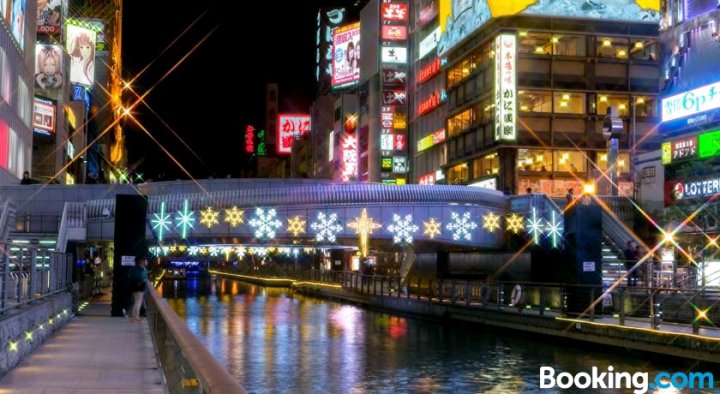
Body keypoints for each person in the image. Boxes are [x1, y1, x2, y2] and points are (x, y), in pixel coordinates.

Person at [128, 257, 148, 323]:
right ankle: (135, 318)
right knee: (138, 303)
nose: (147, 262)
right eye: (145, 261)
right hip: (139, 288)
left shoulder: (134, 269)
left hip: (133, 287)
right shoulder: (142, 270)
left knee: (136, 302)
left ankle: (135, 317)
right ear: (142, 262)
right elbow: (142, 279)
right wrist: (143, 281)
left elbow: (130, 276)